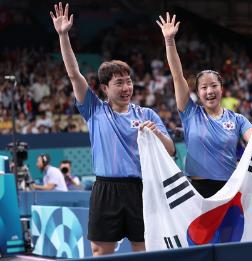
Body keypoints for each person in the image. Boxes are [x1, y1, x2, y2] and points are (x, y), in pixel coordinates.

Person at [50, 3, 175, 256]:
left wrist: (157, 134)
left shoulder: (147, 114)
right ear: (105, 88)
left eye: (129, 81)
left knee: (144, 248)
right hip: (106, 188)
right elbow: (74, 75)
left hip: (141, 188)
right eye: (119, 83)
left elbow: (171, 150)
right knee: (100, 250)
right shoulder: (95, 110)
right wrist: (64, 35)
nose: (127, 87)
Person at [157, 13, 252, 198]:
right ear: (197, 92)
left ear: (222, 89)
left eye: (214, 86)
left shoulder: (237, 120)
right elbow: (177, 76)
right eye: (203, 87)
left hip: (229, 190)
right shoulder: (190, 113)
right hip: (197, 191)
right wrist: (170, 41)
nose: (209, 91)